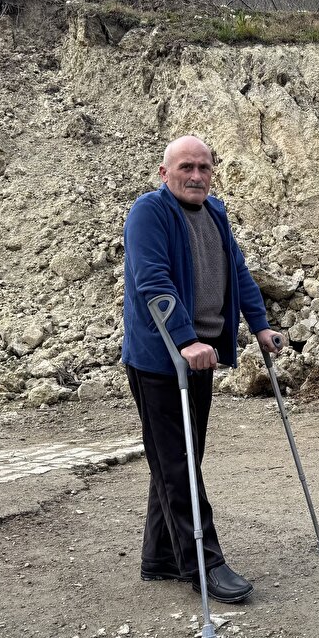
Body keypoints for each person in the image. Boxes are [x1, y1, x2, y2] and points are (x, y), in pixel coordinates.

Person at [121, 135, 283, 604]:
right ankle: (204, 564)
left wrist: (260, 326)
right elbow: (153, 281)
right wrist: (186, 338)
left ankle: (160, 558)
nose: (196, 176)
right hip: (162, 360)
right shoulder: (148, 213)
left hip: (200, 356)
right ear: (164, 172)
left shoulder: (215, 212)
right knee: (178, 464)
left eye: (204, 167)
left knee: (178, 461)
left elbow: (239, 271)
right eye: (186, 167)